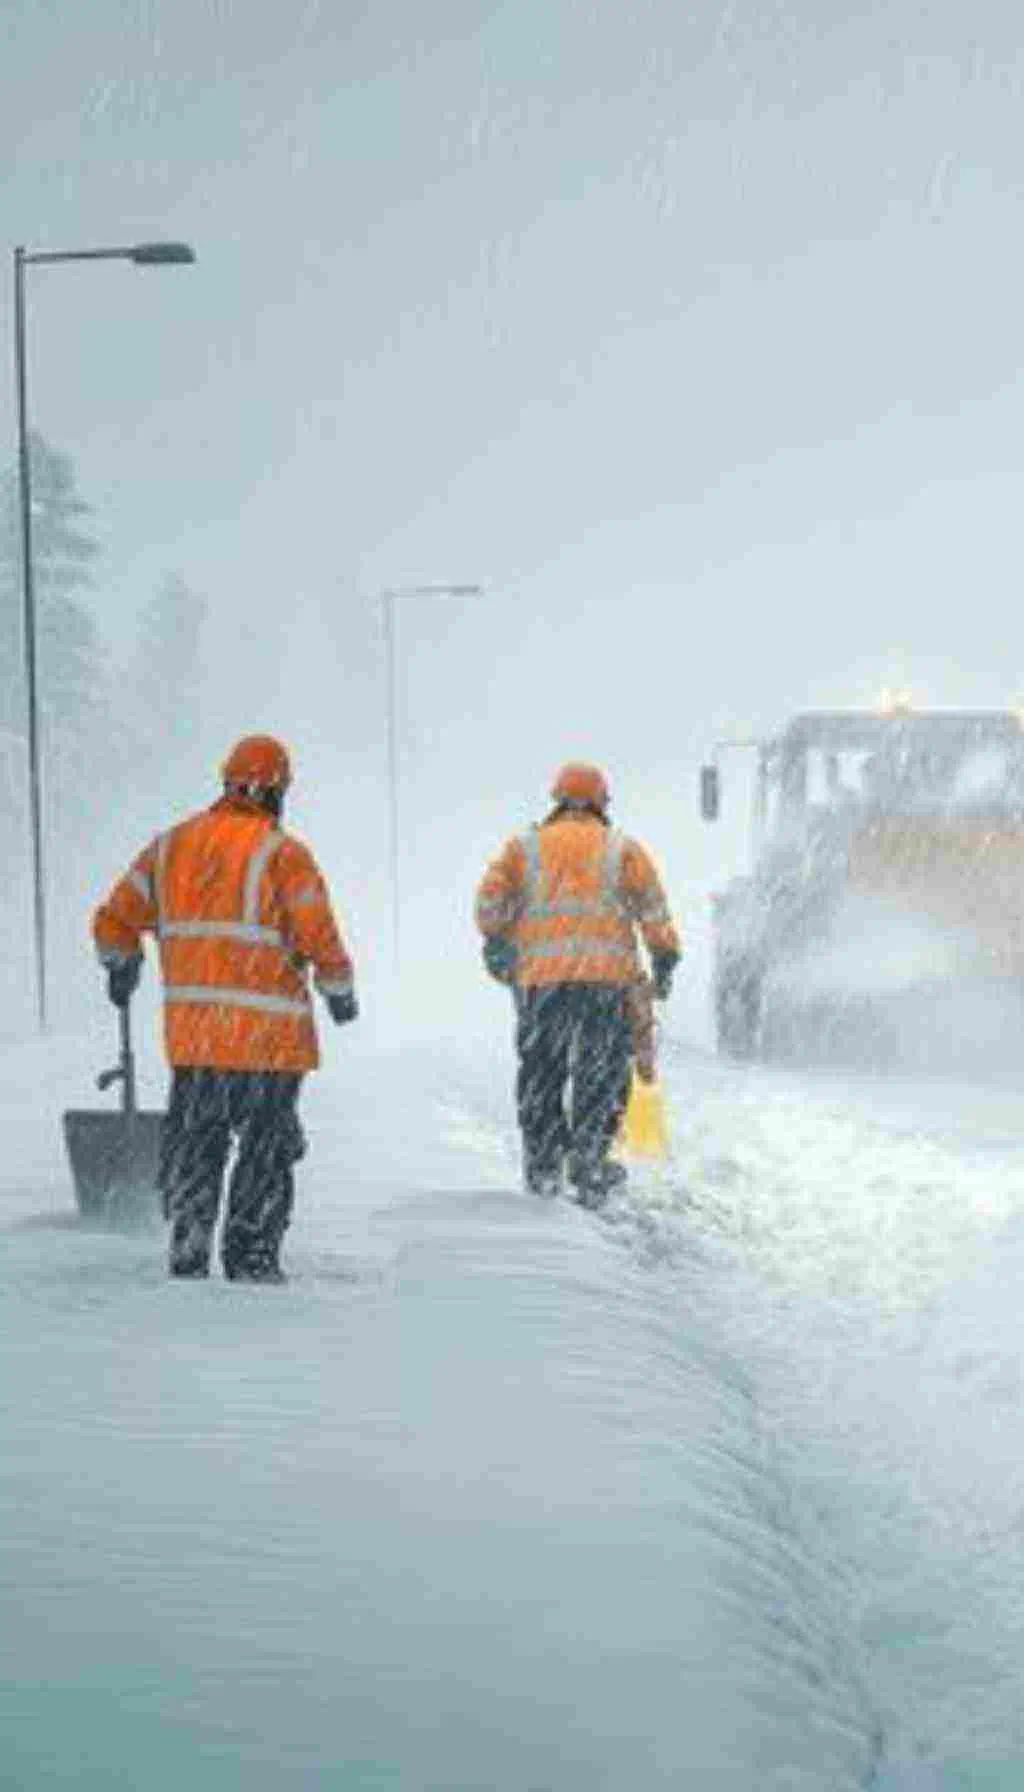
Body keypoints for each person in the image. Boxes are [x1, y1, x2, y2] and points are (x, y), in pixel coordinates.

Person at [92, 734, 357, 1283]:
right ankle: (251, 1255)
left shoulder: (170, 847)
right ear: (276, 790)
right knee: (265, 1146)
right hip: (269, 1042)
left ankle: (189, 1241)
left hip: (197, 1040)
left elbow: (115, 917)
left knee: (198, 1138)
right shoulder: (283, 855)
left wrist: (122, 963)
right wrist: (339, 990)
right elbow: (318, 934)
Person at [475, 762, 681, 1206]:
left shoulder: (523, 847)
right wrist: (664, 956)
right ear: (601, 802)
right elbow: (653, 909)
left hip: (542, 985)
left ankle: (544, 1168)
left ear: (557, 800)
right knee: (601, 1075)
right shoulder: (622, 849)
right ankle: (589, 1162)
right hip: (605, 984)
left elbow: (489, 901)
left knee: (541, 1075)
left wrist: (496, 940)